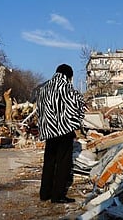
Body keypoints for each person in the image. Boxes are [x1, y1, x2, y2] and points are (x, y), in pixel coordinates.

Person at [35, 64, 85, 204]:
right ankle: (58, 196)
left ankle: (45, 193)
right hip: (64, 131)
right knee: (63, 163)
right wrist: (76, 122)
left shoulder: (43, 89)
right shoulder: (67, 88)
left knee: (49, 162)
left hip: (49, 132)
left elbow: (38, 110)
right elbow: (79, 106)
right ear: (68, 75)